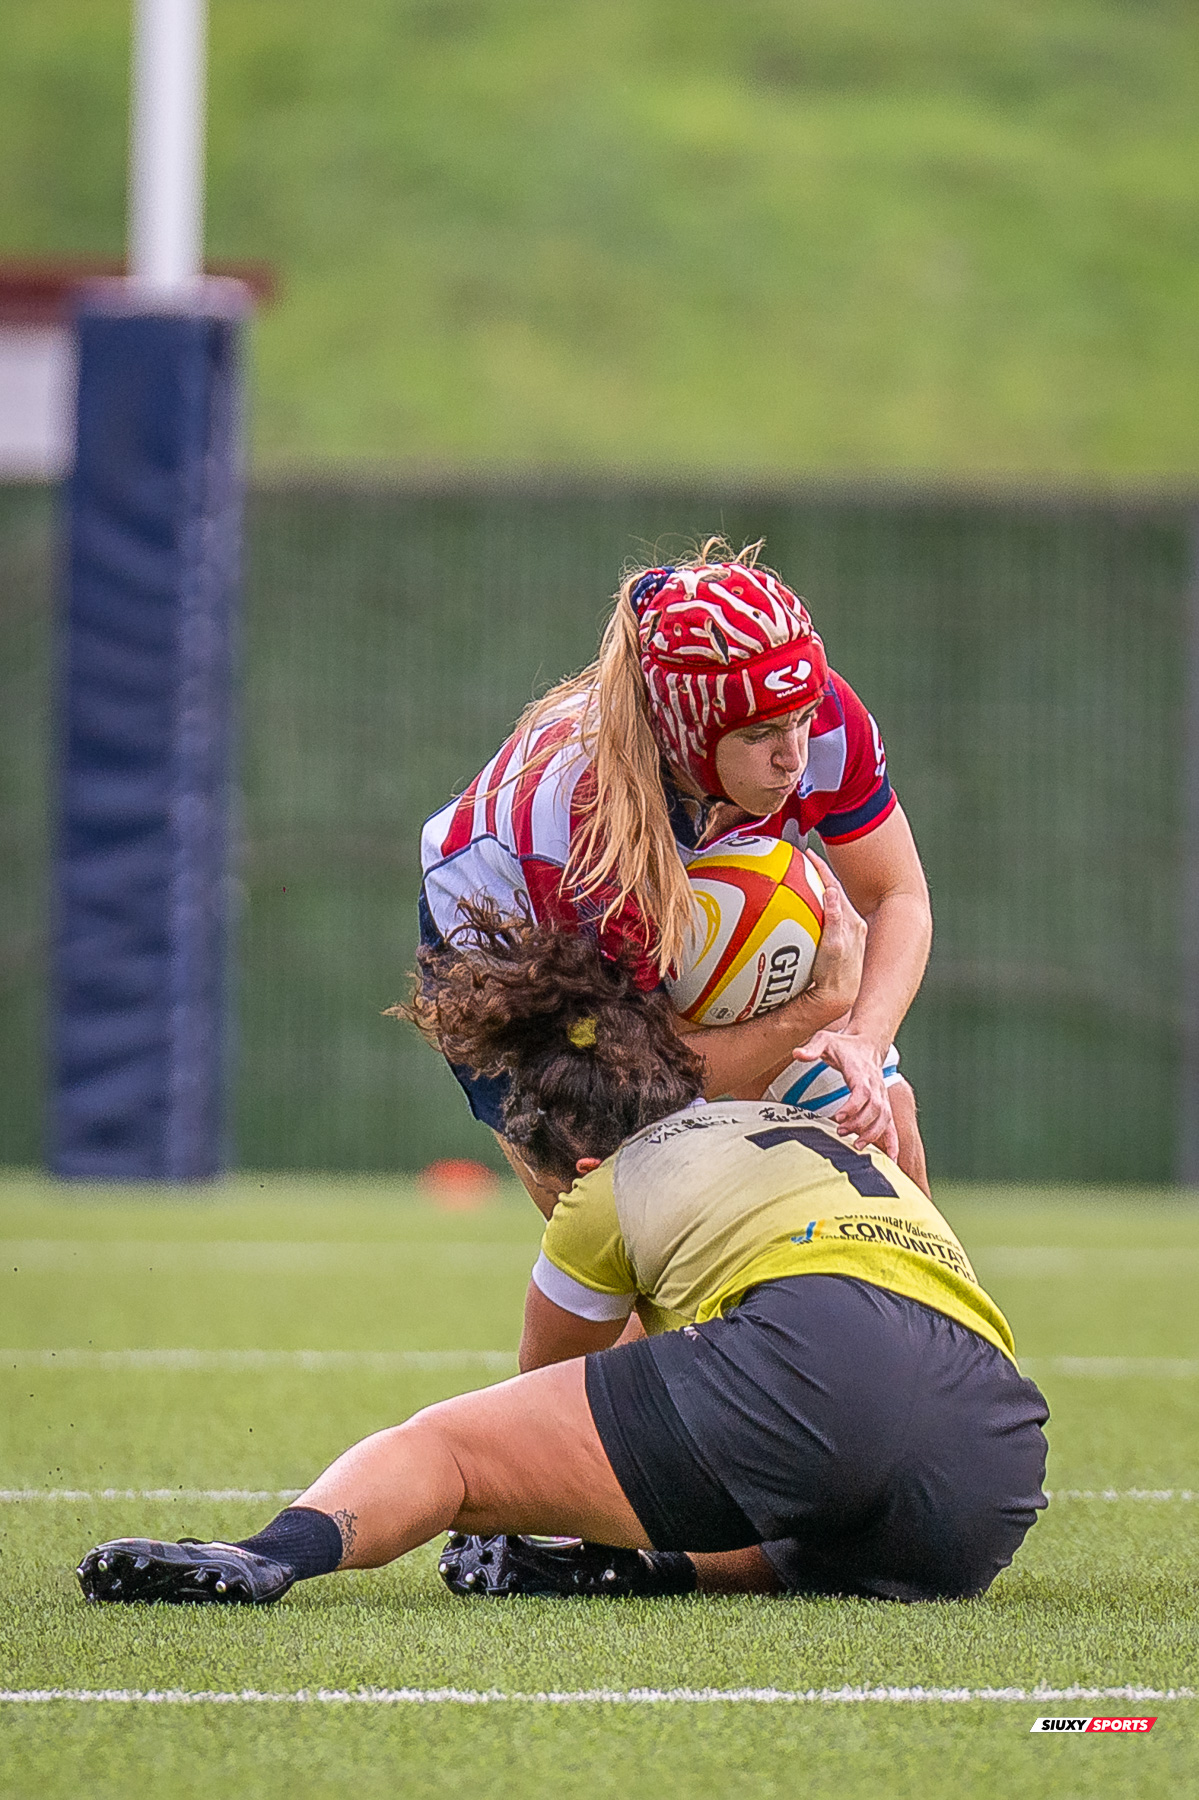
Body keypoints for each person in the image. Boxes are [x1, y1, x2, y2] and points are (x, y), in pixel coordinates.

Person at [77, 911, 1047, 1611]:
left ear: (574, 1164)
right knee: (813, 1518)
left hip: (816, 1352)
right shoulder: (789, 1122)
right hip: (990, 1460)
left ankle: (263, 1558)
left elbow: (542, 1400)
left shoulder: (604, 1189)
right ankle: (639, 1572)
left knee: (447, 1449)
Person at [417, 540, 933, 1199]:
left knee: (884, 1120)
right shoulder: (586, 830)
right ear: (687, 734)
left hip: (675, 947)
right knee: (632, 1214)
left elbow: (894, 894)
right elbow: (633, 1085)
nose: (793, 757)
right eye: (758, 735)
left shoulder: (814, 708)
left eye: (801, 720)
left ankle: (918, 1300)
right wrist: (815, 1010)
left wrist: (864, 1038)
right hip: (521, 964)